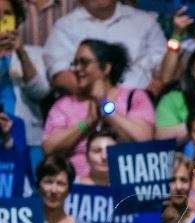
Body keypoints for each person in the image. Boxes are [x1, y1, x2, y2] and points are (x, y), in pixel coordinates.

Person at [42, 38, 155, 180]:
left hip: (124, 187)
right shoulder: (64, 105)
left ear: (106, 68)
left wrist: (105, 107)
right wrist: (87, 123)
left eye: (84, 62)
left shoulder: (134, 97)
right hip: (78, 191)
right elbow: (49, 148)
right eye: (74, 63)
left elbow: (144, 141)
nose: (77, 69)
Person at [42, 0, 166, 93]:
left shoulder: (145, 21)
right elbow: (61, 76)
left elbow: (164, 68)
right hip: (88, 111)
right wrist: (110, 99)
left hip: (142, 110)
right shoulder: (65, 27)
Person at [0, 0, 50, 167]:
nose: (1, 19)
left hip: (29, 141)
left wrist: (21, 53)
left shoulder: (35, 54)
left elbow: (40, 92)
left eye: (7, 15)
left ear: (16, 19)